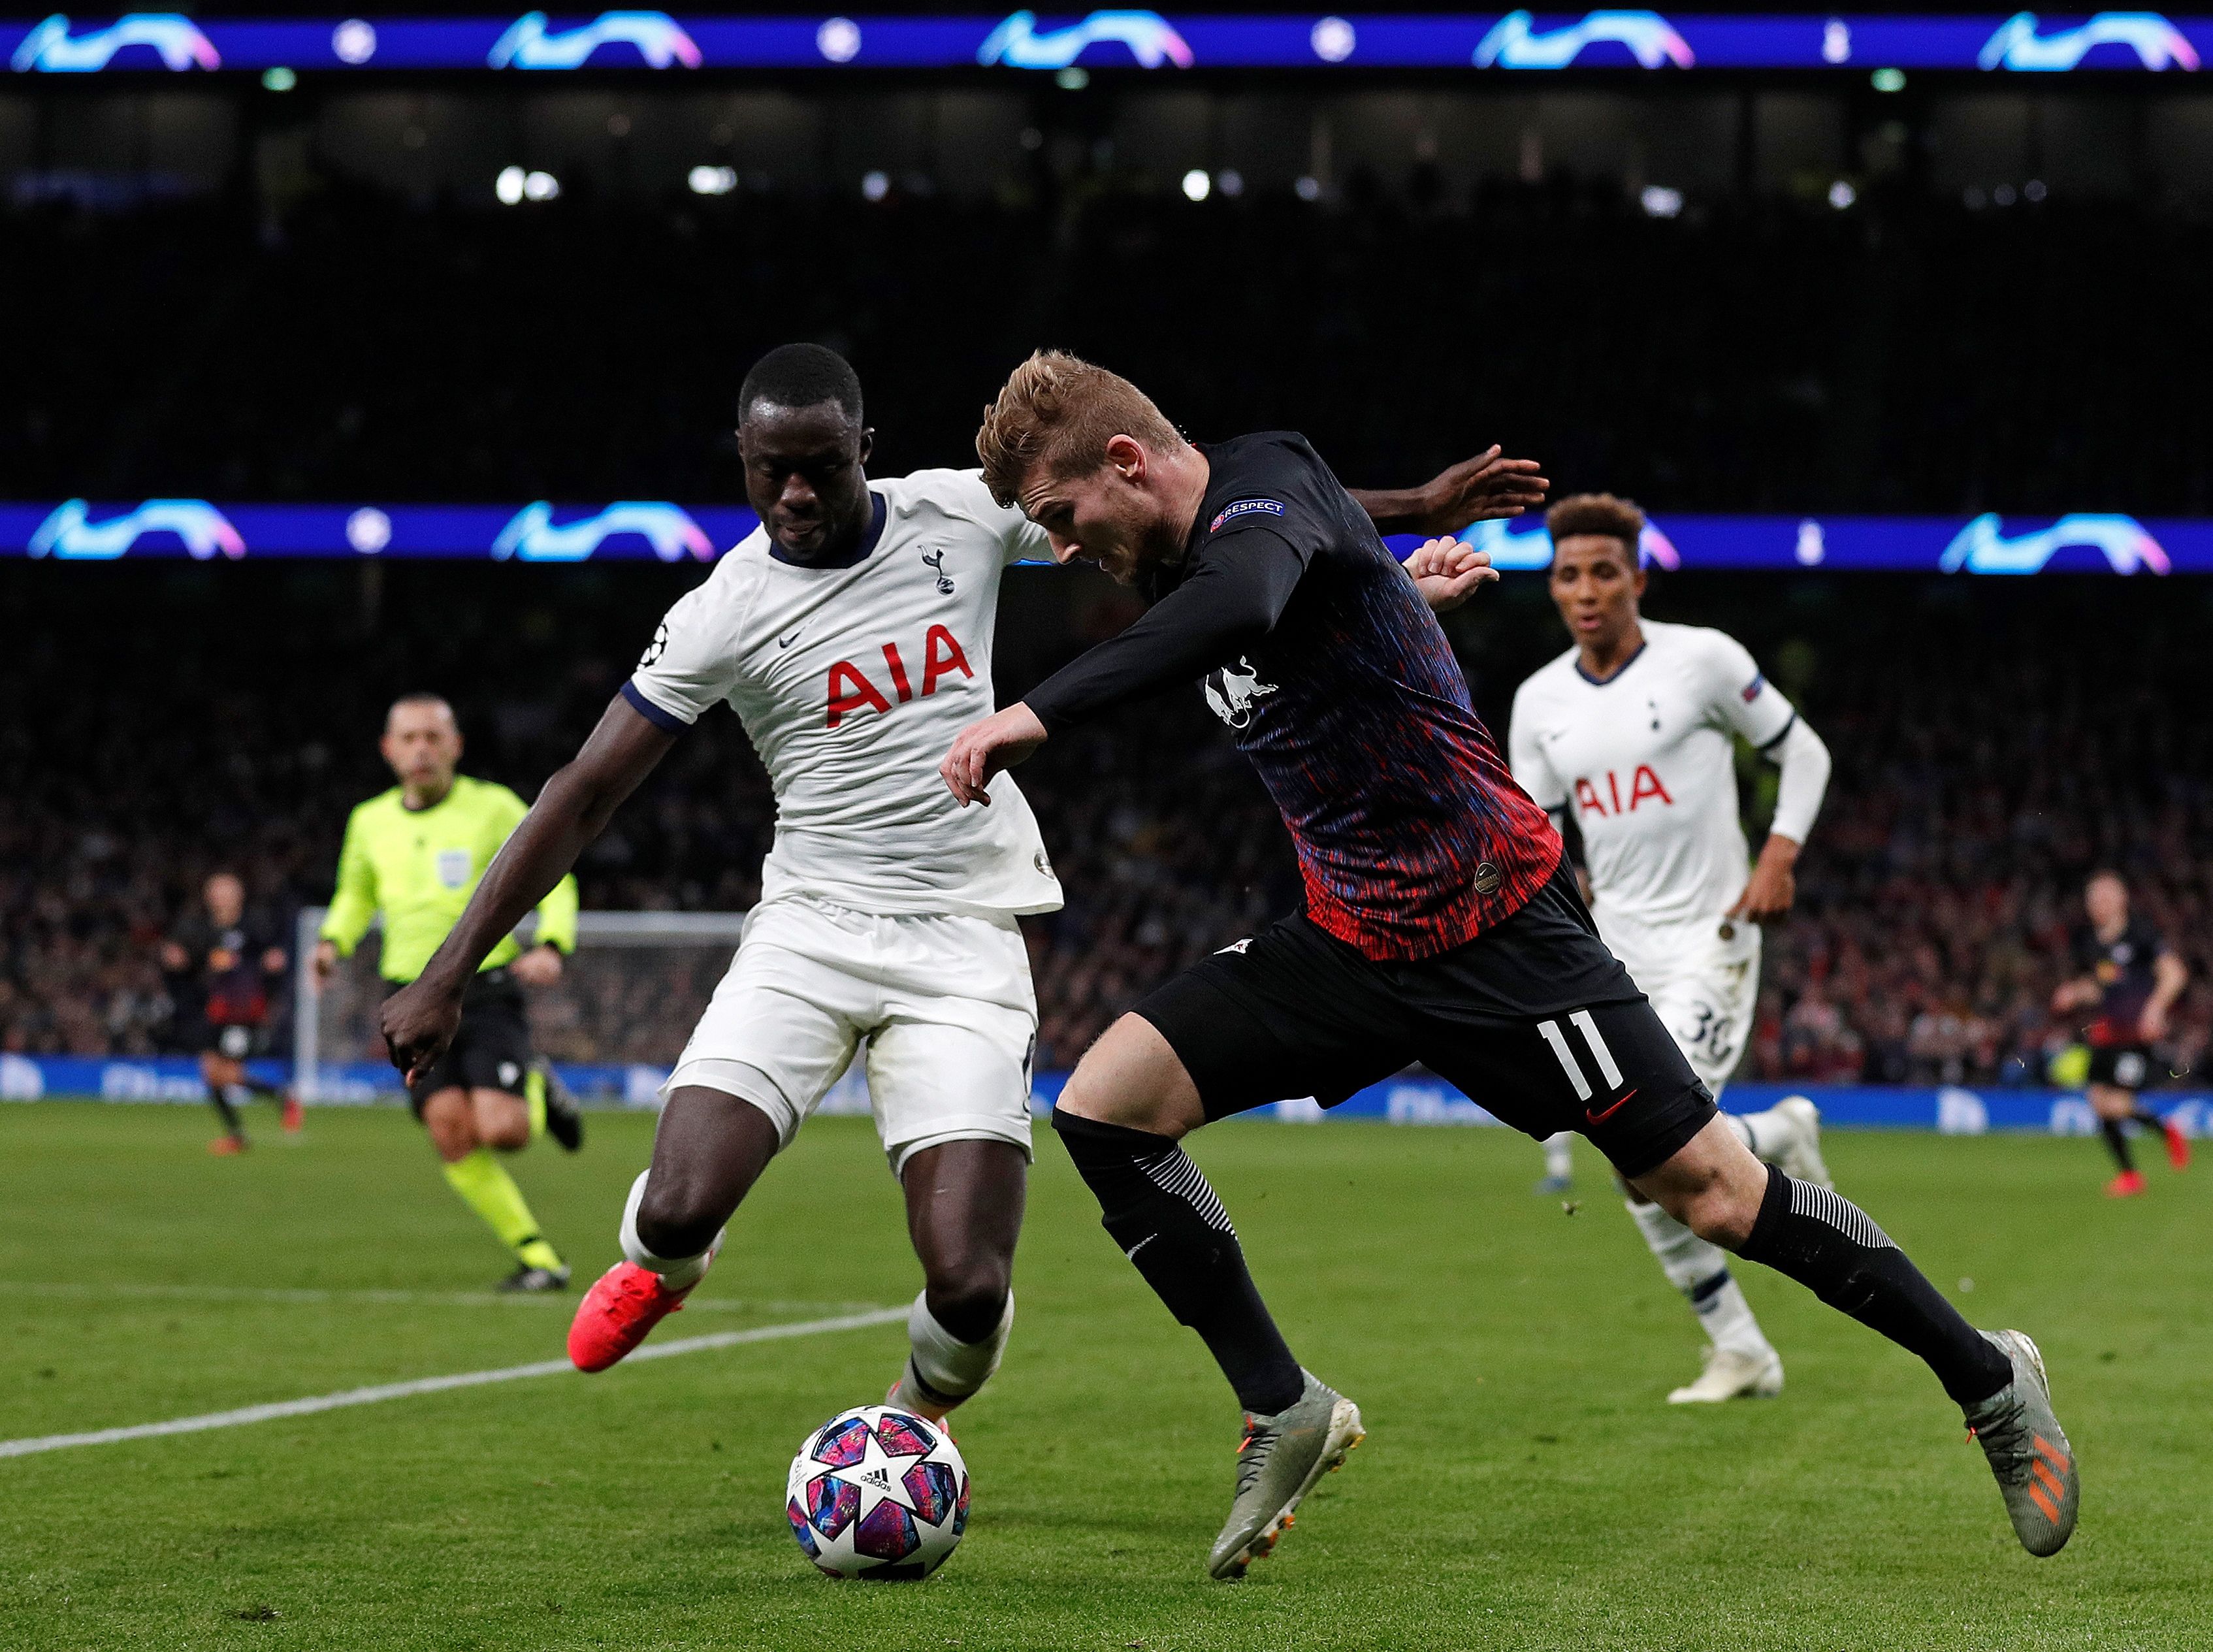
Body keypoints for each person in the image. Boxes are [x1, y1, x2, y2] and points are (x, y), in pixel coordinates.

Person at [941, 349, 2076, 1578]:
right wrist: (1404, 529)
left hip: (1499, 930)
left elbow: (1246, 589)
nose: (1064, 549)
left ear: (1125, 462)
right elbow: (1300, 549)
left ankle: (1989, 1379)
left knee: (1713, 1194)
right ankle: (1283, 1402)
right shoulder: (1231, 530)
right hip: (1351, 939)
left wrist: (1032, 711)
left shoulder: (1254, 512)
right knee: (1105, 1109)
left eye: (1062, 516)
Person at [376, 343, 1538, 1420]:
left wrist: (1405, 510)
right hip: (810, 929)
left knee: (971, 1286)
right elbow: (582, 791)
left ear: (864, 449)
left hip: (967, 935)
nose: (796, 493)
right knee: (678, 1206)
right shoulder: (719, 612)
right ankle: (661, 1264)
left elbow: (1199, 515)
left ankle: (909, 1420)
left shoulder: (958, 511)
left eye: (821, 466)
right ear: (742, 458)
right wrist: (447, 972)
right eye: (772, 471)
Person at [1508, 493, 1837, 1404]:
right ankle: (1747, 1320)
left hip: (1711, 936)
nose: (1586, 591)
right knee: (1637, 1159)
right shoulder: (1540, 702)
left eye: (1604, 573)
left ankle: (1743, 1341)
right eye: (1568, 575)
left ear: (1638, 580)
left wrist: (1778, 855)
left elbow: (1805, 754)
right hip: (1617, 952)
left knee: (1652, 1144)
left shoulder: (1703, 660)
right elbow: (1542, 838)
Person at [314, 693, 585, 1291]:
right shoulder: (369, 821)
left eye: (433, 737)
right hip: (409, 995)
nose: (422, 749)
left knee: (505, 1131)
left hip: (482, 986)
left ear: (456, 746)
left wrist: (553, 942)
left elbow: (554, 869)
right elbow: (355, 893)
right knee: (449, 1129)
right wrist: (332, 941)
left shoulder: (493, 807)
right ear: (389, 750)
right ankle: (538, 1256)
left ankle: (537, 1080)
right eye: (409, 738)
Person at [2052, 869, 2189, 1196]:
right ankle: (2130, 1175)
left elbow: (2175, 973)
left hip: (2137, 1036)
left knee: (2114, 1103)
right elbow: (2103, 987)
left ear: (2121, 899)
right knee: (2098, 1102)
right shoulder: (2092, 943)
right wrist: (2075, 993)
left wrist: (2155, 1008)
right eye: (2092, 898)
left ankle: (2164, 1131)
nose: (2097, 904)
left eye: (2104, 897)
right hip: (2107, 1034)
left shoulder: (2141, 934)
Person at [160, 871, 301, 1154]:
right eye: (216, 892)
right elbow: (188, 960)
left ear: (239, 895)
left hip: (244, 1011)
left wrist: (273, 963)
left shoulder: (254, 926)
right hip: (213, 1012)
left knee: (225, 1074)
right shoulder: (201, 929)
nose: (220, 897)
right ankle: (241, 1131)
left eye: (226, 891)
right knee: (211, 1074)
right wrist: (177, 959)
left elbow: (274, 956)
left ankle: (280, 1099)